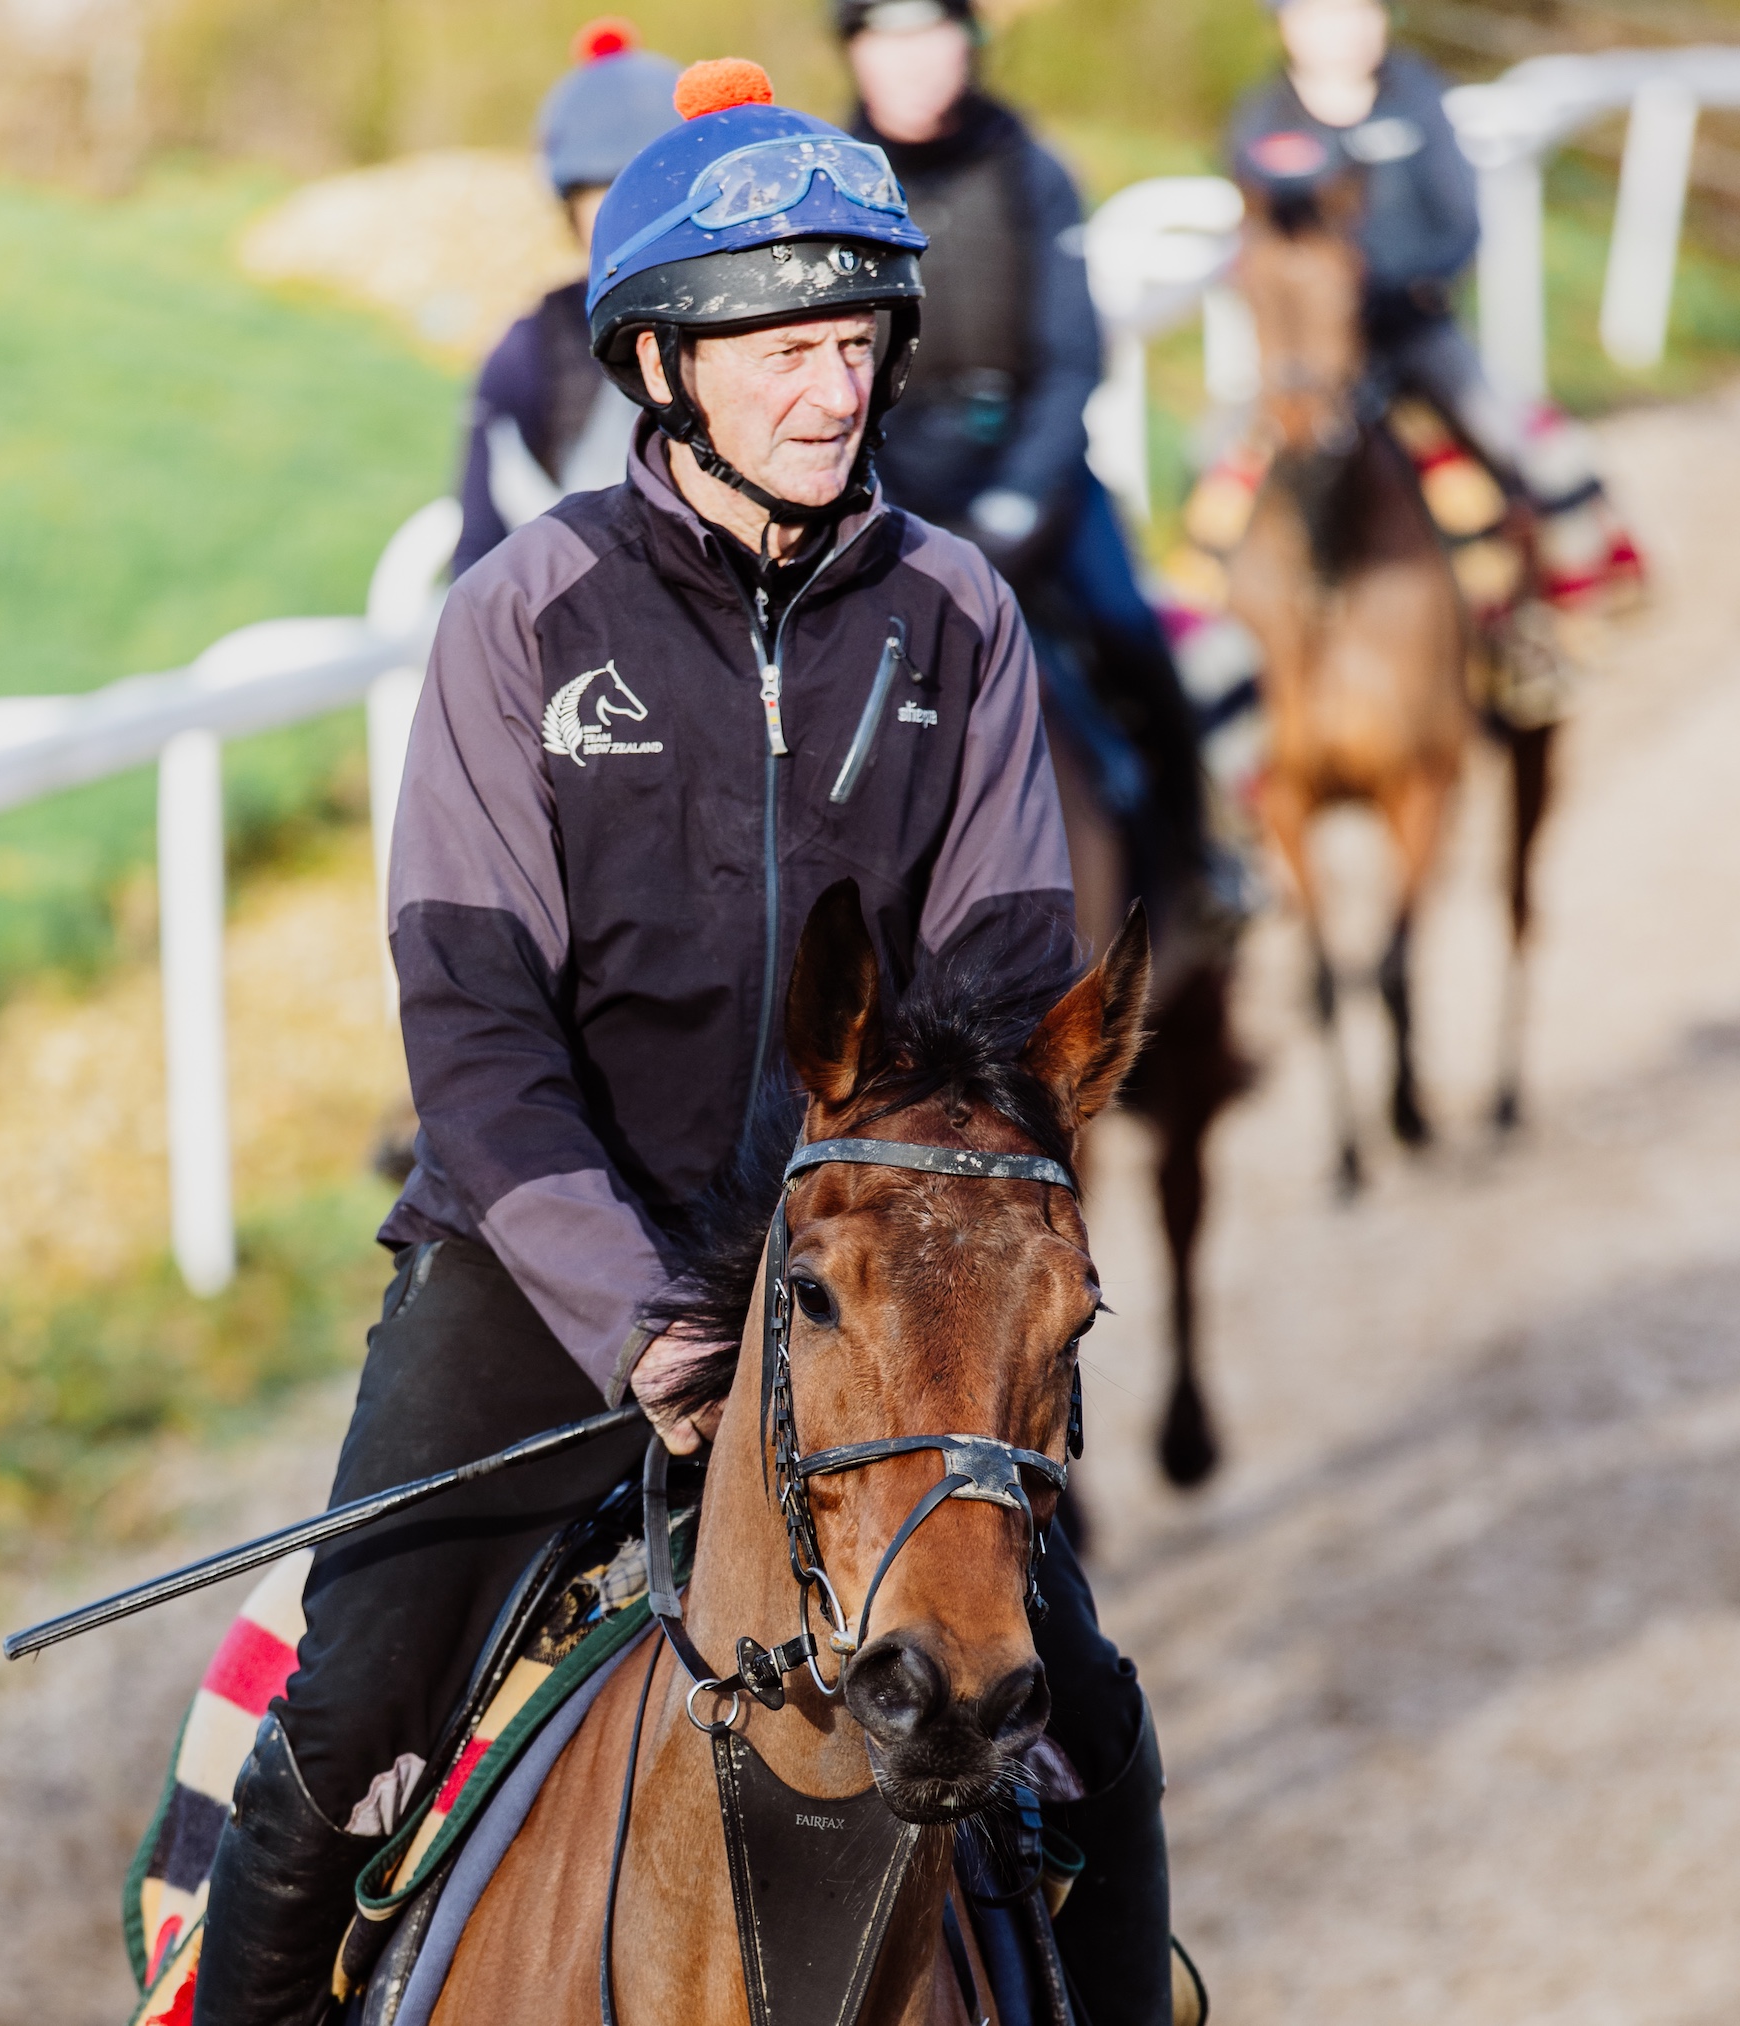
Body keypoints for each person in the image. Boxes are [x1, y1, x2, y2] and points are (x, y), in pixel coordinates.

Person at [194, 56, 1172, 2026]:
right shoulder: (520, 617)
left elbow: (992, 1024)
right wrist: (644, 1313)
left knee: (1091, 1734)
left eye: (857, 341)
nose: (834, 387)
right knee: (356, 1706)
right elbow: (470, 1025)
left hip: (861, 1275)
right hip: (541, 1262)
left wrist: (900, 1265)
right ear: (659, 362)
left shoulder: (958, 617)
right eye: (787, 345)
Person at [837, 0, 1224, 946]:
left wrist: (1018, 500)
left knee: (1132, 629)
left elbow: (1071, 357)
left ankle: (1202, 861)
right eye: (889, 39)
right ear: (854, 52)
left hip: (1031, 468)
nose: (915, 62)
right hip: (885, 480)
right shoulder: (823, 183)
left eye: (933, 36)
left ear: (968, 47)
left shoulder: (1032, 170)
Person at [1230, 0, 1642, 609]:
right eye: (1323, 14)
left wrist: (1393, 282)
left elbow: (1460, 221)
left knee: (1518, 440)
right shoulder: (1261, 119)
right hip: (1314, 354)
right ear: (1288, 27)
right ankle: (1219, 647)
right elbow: (1256, 233)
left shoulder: (1417, 96)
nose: (1344, 30)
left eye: (1359, 13)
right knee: (1218, 471)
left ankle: (1561, 599)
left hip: (1414, 331)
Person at [451, 19, 683, 579]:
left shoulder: (750, 325)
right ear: (569, 205)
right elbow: (478, 552)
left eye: (650, 191)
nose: (627, 218)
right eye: (603, 192)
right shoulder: (527, 352)